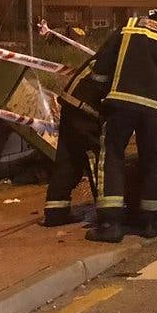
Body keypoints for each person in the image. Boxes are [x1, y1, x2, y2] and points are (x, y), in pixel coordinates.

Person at [87, 3, 157, 242]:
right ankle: (152, 223)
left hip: (120, 103)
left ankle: (110, 224)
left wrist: (100, 93)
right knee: (152, 163)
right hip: (155, 111)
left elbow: (101, 66)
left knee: (113, 159)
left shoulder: (129, 27)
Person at [41, 54, 111, 226]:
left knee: (69, 157)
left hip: (72, 102)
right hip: (86, 108)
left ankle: (56, 212)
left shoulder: (121, 42)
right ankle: (107, 214)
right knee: (97, 158)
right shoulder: (134, 48)